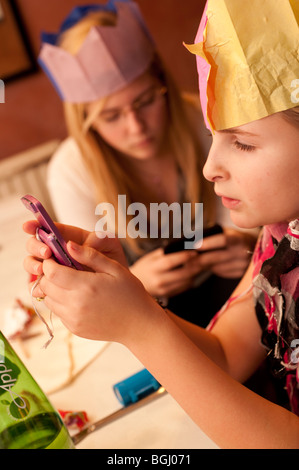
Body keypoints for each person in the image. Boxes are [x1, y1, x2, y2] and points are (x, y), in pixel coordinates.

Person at [24, 0, 299, 448]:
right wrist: (134, 303)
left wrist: (139, 327)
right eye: (212, 137)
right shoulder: (279, 238)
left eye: (242, 144)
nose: (209, 168)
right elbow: (227, 354)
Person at [39, 0, 257, 326]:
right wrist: (135, 283)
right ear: (87, 122)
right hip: (146, 317)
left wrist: (247, 246)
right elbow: (90, 282)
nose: (136, 127)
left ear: (163, 85)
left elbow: (256, 220)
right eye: (111, 116)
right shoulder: (69, 171)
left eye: (145, 101)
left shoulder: (205, 123)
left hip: (234, 294)